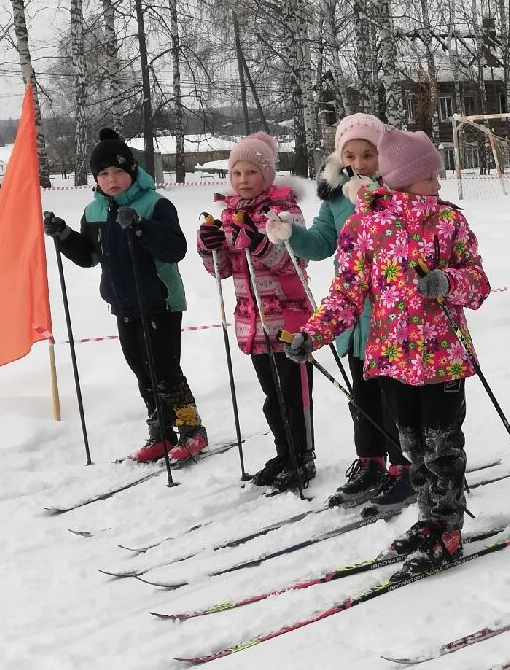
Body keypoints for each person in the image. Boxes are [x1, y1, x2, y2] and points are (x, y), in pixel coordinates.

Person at [285, 127, 490, 574]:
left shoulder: (448, 220)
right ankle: (427, 519)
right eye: (430, 177)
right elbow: (345, 294)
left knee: (443, 448)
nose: (438, 185)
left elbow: (478, 283)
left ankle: (447, 525)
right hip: (393, 358)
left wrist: (449, 282)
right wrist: (313, 334)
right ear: (402, 177)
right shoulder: (362, 226)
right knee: (413, 447)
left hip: (442, 356)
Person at [265, 113, 414, 514]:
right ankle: (370, 463)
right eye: (352, 155)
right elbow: (320, 244)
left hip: (393, 315)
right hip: (352, 316)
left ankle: (405, 468)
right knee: (362, 398)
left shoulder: (398, 192)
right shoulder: (335, 197)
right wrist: (291, 234)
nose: (361, 163)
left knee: (393, 400)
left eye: (369, 154)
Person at [44, 128, 206, 462]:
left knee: (164, 369)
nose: (112, 179)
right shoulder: (94, 213)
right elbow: (89, 257)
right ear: (96, 179)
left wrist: (141, 227)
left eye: (119, 171)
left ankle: (191, 429)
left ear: (132, 172)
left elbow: (175, 249)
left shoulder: (155, 205)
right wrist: (64, 236)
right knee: (141, 369)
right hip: (123, 304)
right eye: (103, 173)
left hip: (159, 302)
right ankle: (161, 430)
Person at [197, 131, 314, 491]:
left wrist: (261, 242)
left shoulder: (285, 210)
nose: (243, 180)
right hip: (252, 321)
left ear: (266, 174)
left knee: (294, 395)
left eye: (250, 172)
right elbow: (223, 270)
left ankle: (302, 456)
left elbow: (294, 260)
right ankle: (284, 452)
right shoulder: (229, 215)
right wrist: (209, 247)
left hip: (288, 319)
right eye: (237, 173)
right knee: (272, 397)